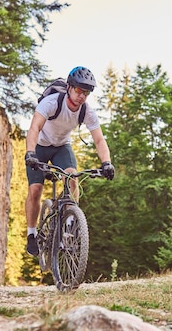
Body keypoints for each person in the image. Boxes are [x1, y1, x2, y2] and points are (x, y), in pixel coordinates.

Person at [24, 66, 114, 256]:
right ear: (69, 87)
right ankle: (31, 234)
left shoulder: (86, 112)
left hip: (61, 147)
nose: (82, 96)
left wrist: (107, 163)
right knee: (35, 190)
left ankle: (71, 223)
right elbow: (34, 128)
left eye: (86, 92)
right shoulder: (51, 103)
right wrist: (30, 153)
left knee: (72, 178)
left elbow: (99, 139)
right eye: (79, 90)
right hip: (39, 146)